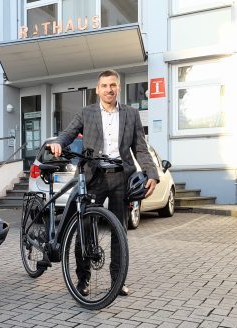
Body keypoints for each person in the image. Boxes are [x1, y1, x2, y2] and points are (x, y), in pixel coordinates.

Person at [47, 69, 158, 297]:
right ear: (97, 90)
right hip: (94, 176)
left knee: (120, 231)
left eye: (113, 85)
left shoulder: (131, 114)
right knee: (86, 227)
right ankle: (83, 279)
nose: (109, 89)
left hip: (120, 176)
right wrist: (58, 143)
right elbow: (68, 133)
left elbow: (140, 148)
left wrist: (152, 174)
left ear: (118, 87)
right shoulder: (86, 113)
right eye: (105, 86)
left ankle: (118, 281)